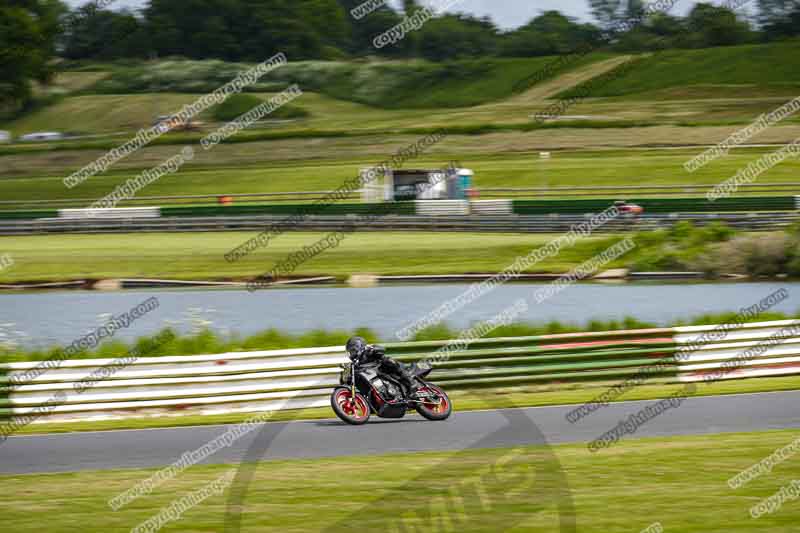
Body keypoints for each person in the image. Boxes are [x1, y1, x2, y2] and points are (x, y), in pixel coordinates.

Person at [345, 336, 418, 398]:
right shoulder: (356, 364)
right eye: (350, 351)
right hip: (377, 378)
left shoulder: (368, 351)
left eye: (353, 350)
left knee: (387, 360)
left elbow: (381, 349)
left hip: (385, 370)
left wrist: (374, 350)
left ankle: (410, 381)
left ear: (359, 346)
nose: (352, 353)